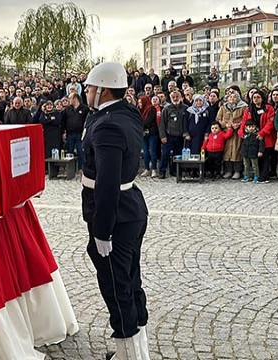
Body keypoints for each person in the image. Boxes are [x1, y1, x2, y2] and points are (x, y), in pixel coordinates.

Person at [80, 62, 149, 360]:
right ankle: (136, 350)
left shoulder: (108, 124)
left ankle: (129, 355)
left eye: (90, 87)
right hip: (130, 207)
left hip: (115, 214)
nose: (86, 92)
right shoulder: (124, 112)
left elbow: (107, 183)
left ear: (104, 89)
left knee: (116, 286)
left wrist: (102, 229)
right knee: (131, 280)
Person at [240, 90, 276, 183]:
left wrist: (262, 133)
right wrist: (241, 133)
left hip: (265, 136)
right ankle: (256, 175)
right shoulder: (248, 109)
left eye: (258, 97)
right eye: (254, 97)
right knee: (255, 157)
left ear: (262, 98)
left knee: (265, 156)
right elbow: (244, 122)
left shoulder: (269, 108)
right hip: (252, 138)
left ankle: (264, 176)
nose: (256, 99)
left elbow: (270, 123)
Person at [158, 90, 188, 178]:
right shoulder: (166, 109)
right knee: (165, 154)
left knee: (177, 155)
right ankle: (162, 171)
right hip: (169, 136)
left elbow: (187, 122)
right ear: (170, 98)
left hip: (180, 136)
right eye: (173, 97)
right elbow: (162, 124)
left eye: (177, 97)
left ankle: (174, 171)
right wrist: (163, 136)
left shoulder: (185, 108)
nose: (175, 99)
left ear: (180, 97)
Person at [217, 91, 247, 179]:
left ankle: (237, 171)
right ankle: (228, 170)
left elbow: (246, 118)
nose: (232, 99)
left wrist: (239, 124)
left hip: (237, 133)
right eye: (230, 97)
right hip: (226, 133)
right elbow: (218, 119)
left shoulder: (243, 107)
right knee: (227, 152)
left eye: (234, 97)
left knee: (236, 151)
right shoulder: (223, 107)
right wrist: (225, 125)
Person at [138, 96, 159, 178]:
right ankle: (147, 169)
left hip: (152, 133)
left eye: (141, 102)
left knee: (152, 151)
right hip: (143, 133)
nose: (139, 104)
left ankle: (154, 169)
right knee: (145, 151)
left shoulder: (151, 109)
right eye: (139, 102)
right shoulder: (140, 110)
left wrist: (140, 124)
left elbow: (148, 121)